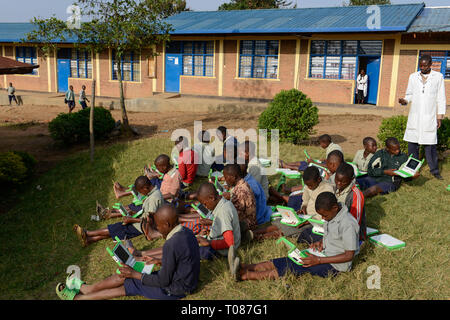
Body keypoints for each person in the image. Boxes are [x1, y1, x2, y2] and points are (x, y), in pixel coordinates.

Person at [56, 205, 200, 300]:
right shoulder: (186, 232)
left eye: (158, 225)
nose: (157, 228)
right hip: (183, 280)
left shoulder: (171, 244)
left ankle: (79, 298)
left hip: (176, 289)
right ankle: (87, 289)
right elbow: (184, 259)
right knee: (126, 276)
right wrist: (159, 261)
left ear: (168, 224)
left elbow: (163, 281)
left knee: (130, 283)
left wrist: (134, 274)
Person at [233, 192, 360, 282]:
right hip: (324, 255)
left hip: (336, 266)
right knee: (289, 259)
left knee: (294, 267)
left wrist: (319, 260)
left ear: (334, 207)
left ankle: (245, 276)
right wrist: (321, 242)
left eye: (324, 215)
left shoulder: (348, 224)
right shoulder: (331, 214)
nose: (322, 218)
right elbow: (332, 236)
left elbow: (349, 255)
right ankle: (247, 266)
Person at [73, 176, 164, 247]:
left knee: (116, 228)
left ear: (145, 188)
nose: (141, 194)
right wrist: (133, 215)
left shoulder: (154, 198)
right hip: (140, 222)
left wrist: (132, 220)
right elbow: (148, 213)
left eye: (140, 191)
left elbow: (150, 220)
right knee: (116, 231)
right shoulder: (153, 194)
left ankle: (88, 233)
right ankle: (89, 240)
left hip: (141, 227)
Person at [399, 54, 446, 180]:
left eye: (425, 65)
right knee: (412, 144)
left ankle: (434, 171)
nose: (422, 68)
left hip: (429, 116)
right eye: (421, 65)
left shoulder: (438, 77)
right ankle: (411, 169)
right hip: (415, 116)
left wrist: (439, 116)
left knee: (430, 146)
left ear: (431, 64)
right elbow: (409, 94)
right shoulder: (413, 77)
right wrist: (405, 101)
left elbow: (441, 98)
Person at [298, 162, 366, 245]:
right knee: (306, 233)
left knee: (312, 235)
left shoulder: (355, 195)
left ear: (351, 179)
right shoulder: (336, 189)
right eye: (337, 180)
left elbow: (354, 223)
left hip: (347, 233)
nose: (338, 184)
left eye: (342, 182)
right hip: (331, 226)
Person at [271, 166, 334, 238]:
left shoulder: (327, 189)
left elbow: (325, 213)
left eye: (310, 186)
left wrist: (308, 221)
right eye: (307, 185)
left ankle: (259, 236)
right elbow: (305, 200)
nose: (309, 187)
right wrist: (303, 207)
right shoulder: (309, 184)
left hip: (316, 221)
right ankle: (256, 232)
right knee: (282, 221)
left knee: (291, 229)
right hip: (306, 216)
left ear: (319, 179)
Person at [195, 182, 241, 261]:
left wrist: (209, 242)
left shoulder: (223, 211)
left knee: (196, 251)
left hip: (225, 250)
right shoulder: (224, 203)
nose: (206, 207)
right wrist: (212, 231)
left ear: (212, 198)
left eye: (205, 204)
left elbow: (229, 243)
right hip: (222, 240)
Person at [222, 164, 257, 233]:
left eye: (226, 178)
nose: (225, 180)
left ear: (233, 177)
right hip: (248, 219)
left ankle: (248, 234)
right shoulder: (242, 183)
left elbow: (234, 217)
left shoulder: (240, 191)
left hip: (247, 224)